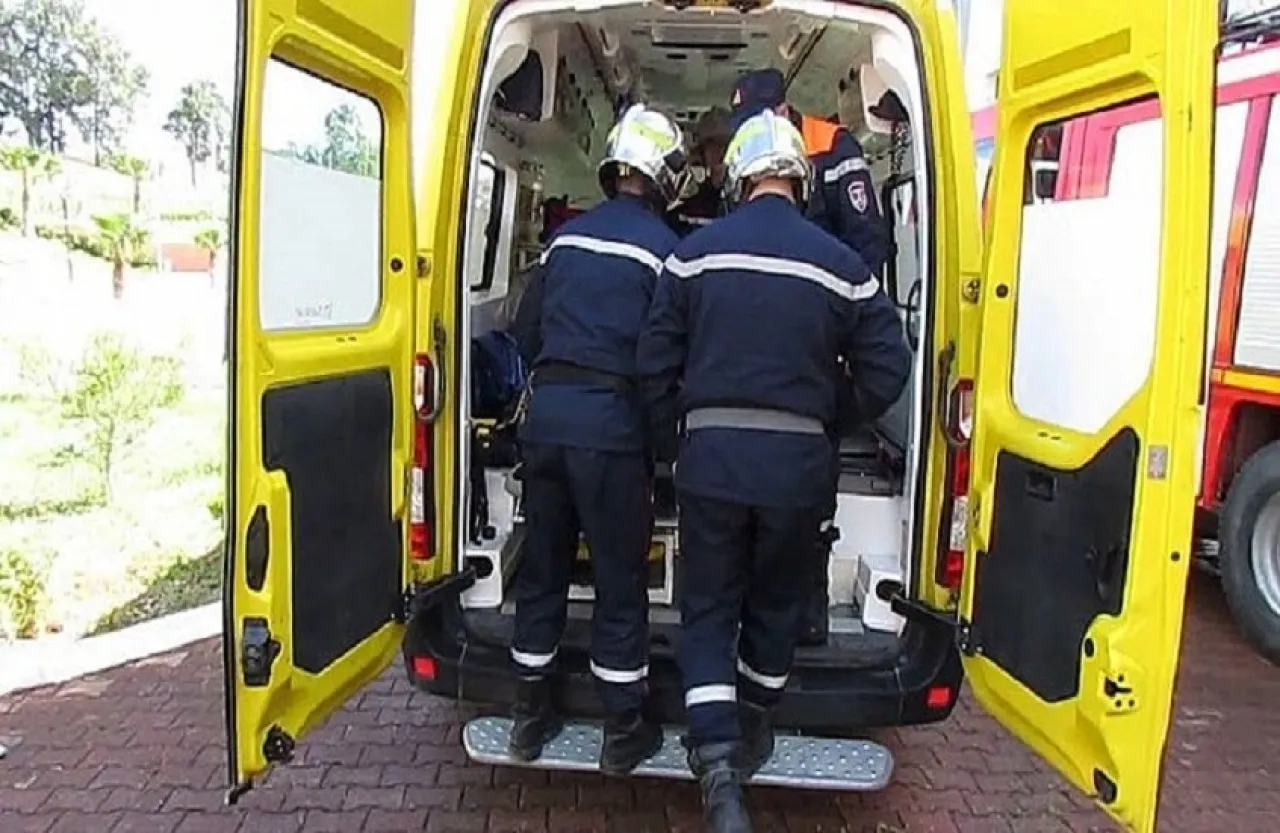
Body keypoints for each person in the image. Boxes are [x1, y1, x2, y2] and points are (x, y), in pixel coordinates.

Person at [637, 110, 911, 832]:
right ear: (800, 179)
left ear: (736, 180)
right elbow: (889, 366)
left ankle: (718, 766)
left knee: (707, 607)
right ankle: (754, 721)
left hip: (711, 465)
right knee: (776, 602)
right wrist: (828, 416)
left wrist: (675, 438)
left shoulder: (693, 257)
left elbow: (653, 363)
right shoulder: (842, 266)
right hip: (798, 471)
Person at [506, 103, 686, 776]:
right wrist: (664, 441)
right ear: (665, 175)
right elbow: (666, 357)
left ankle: (529, 719)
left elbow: (524, 334)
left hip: (547, 424)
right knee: (618, 579)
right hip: (611, 431)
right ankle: (623, 729)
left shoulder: (565, 240)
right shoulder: (666, 252)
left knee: (543, 571)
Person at [730, 67, 893, 646]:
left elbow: (868, 242)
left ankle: (810, 607)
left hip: (821, 325)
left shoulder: (833, 147)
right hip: (775, 330)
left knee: (812, 486)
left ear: (782, 111)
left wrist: (841, 323)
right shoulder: (754, 157)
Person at [666, 107, 732, 237]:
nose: (720, 152)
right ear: (701, 153)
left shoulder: (746, 201)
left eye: (725, 145)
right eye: (713, 145)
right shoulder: (687, 211)